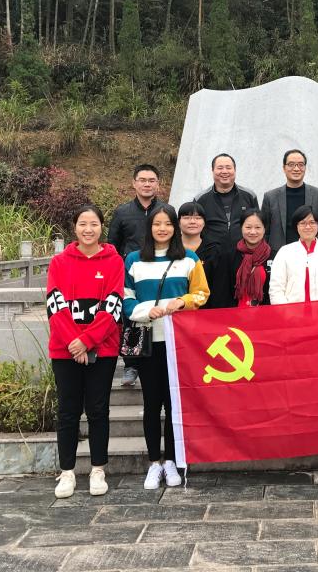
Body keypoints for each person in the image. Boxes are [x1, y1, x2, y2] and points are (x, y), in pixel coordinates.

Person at [123, 205, 210, 489]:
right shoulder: (134, 260)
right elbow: (125, 298)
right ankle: (154, 463)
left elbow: (201, 293)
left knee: (174, 404)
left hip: (178, 343)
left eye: (168, 224)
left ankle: (172, 460)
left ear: (175, 227)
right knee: (152, 403)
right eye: (157, 224)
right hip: (148, 340)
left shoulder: (189, 259)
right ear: (149, 227)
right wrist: (145, 312)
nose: (162, 229)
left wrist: (182, 302)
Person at [46, 204, 124, 499]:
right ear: (74, 227)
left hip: (102, 349)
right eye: (82, 224)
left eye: (93, 224)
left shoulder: (114, 262)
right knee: (67, 410)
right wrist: (74, 342)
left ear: (102, 227)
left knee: (98, 409)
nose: (88, 229)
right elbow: (55, 305)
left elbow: (113, 305)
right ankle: (67, 471)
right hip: (64, 349)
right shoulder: (59, 262)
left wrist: (88, 341)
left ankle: (97, 469)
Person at [108, 163, 174, 388]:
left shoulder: (166, 210)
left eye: (152, 180)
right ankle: (131, 364)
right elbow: (113, 245)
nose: (147, 184)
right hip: (133, 273)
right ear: (134, 183)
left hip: (161, 272)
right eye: (143, 180)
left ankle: (164, 358)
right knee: (132, 316)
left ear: (158, 184)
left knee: (160, 315)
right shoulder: (122, 212)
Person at [269, 205, 318, 304]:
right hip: (292, 311)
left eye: (312, 222)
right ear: (296, 226)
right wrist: (286, 311)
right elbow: (276, 289)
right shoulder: (285, 252)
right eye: (303, 223)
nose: (308, 227)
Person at [262, 149, 318, 252]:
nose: (296, 169)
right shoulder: (270, 197)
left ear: (305, 168)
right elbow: (265, 231)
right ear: (284, 168)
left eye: (300, 165)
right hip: (280, 253)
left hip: (312, 253)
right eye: (291, 164)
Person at [194, 153, 259, 248]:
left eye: (228, 168)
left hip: (243, 252)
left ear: (235, 170)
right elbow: (194, 228)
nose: (224, 171)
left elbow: (258, 224)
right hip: (210, 252)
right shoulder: (200, 199)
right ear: (212, 171)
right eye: (220, 168)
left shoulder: (249, 195)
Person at [178, 200, 224, 308]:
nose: (192, 221)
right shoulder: (169, 249)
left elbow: (219, 287)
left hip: (206, 310)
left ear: (204, 222)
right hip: (174, 309)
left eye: (198, 218)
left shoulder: (215, 250)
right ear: (178, 222)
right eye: (187, 217)